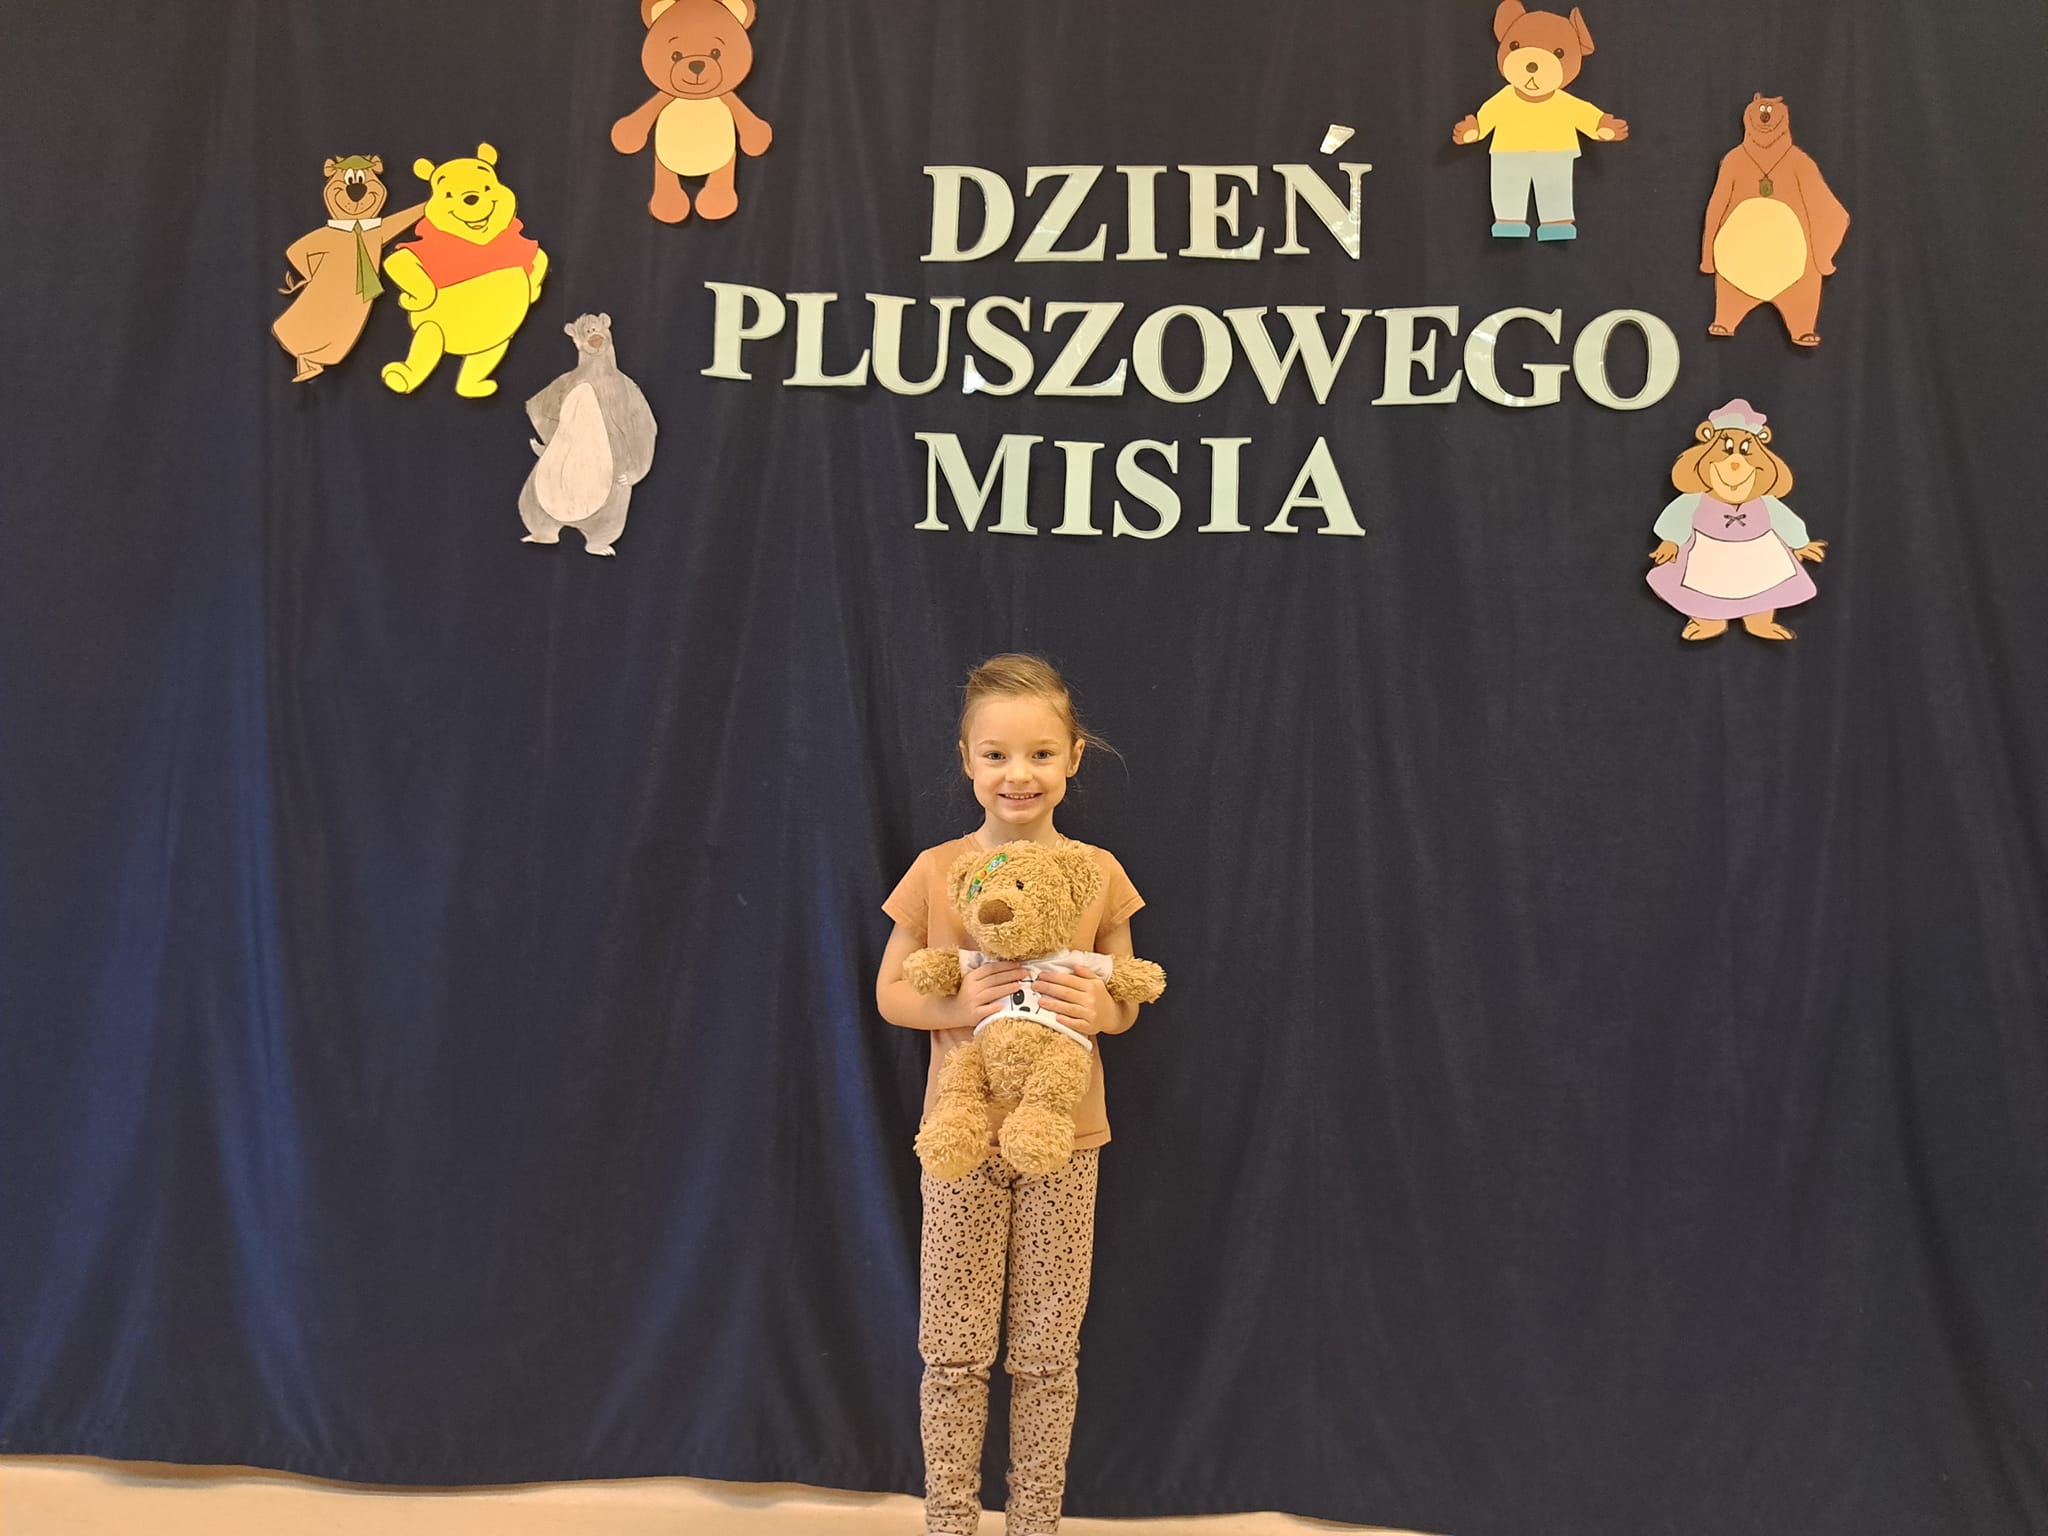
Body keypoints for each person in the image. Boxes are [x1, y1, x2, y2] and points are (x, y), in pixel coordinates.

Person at [876, 654, 1158, 1536]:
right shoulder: (937, 870)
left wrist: (1107, 1013)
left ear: (1073, 757)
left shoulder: (1098, 872)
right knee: (953, 1352)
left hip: (1065, 1142)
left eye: (1039, 754)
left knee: (1045, 1353)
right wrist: (956, 1005)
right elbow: (891, 993)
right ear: (966, 759)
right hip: (960, 1140)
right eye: (996, 755)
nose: (1017, 774)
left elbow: (1124, 991)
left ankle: (1034, 1522)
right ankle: (950, 1521)